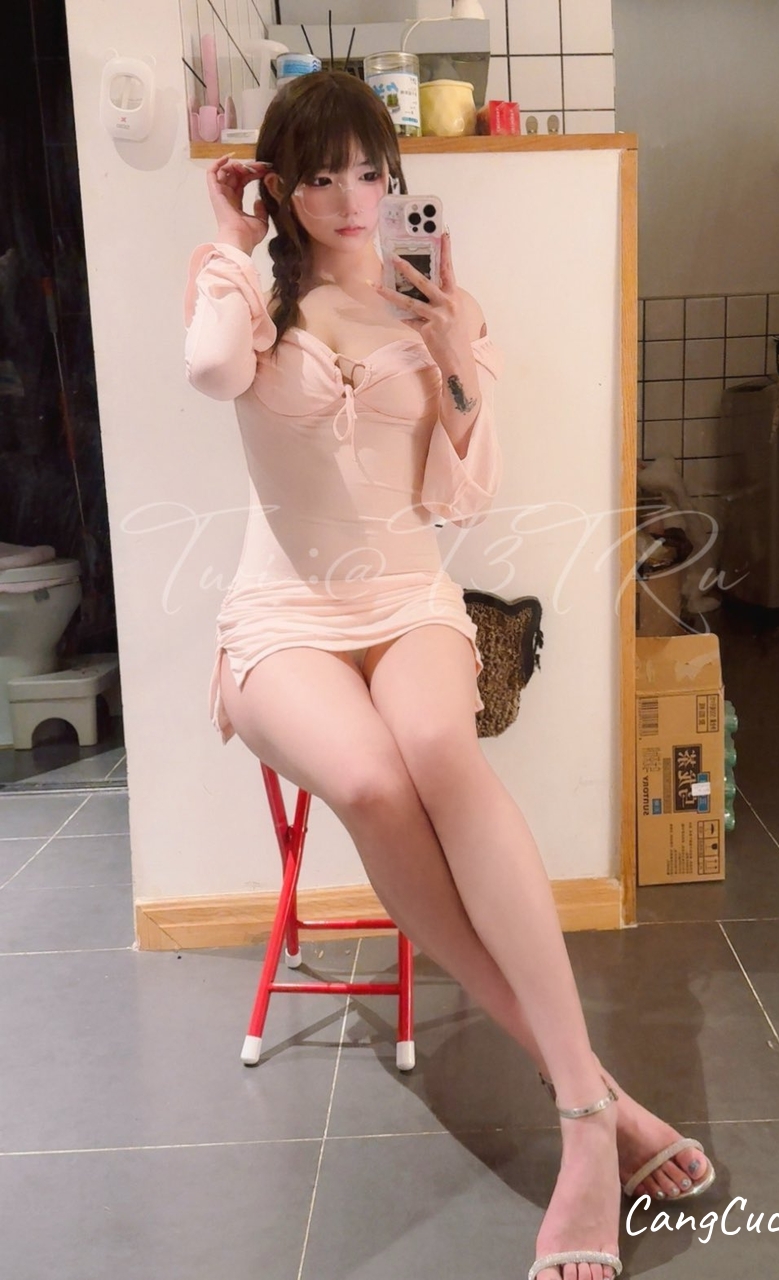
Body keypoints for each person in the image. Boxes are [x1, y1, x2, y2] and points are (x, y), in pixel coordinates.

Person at [184, 71, 714, 1280]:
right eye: (321, 175)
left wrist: (448, 350)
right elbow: (212, 372)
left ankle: (583, 1116)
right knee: (374, 781)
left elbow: (459, 496)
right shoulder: (245, 294)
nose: (350, 198)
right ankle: (598, 1098)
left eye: (370, 172)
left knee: (435, 748)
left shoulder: (435, 299)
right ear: (281, 184)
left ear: (395, 177)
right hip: (281, 614)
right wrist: (229, 239)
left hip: (408, 595)